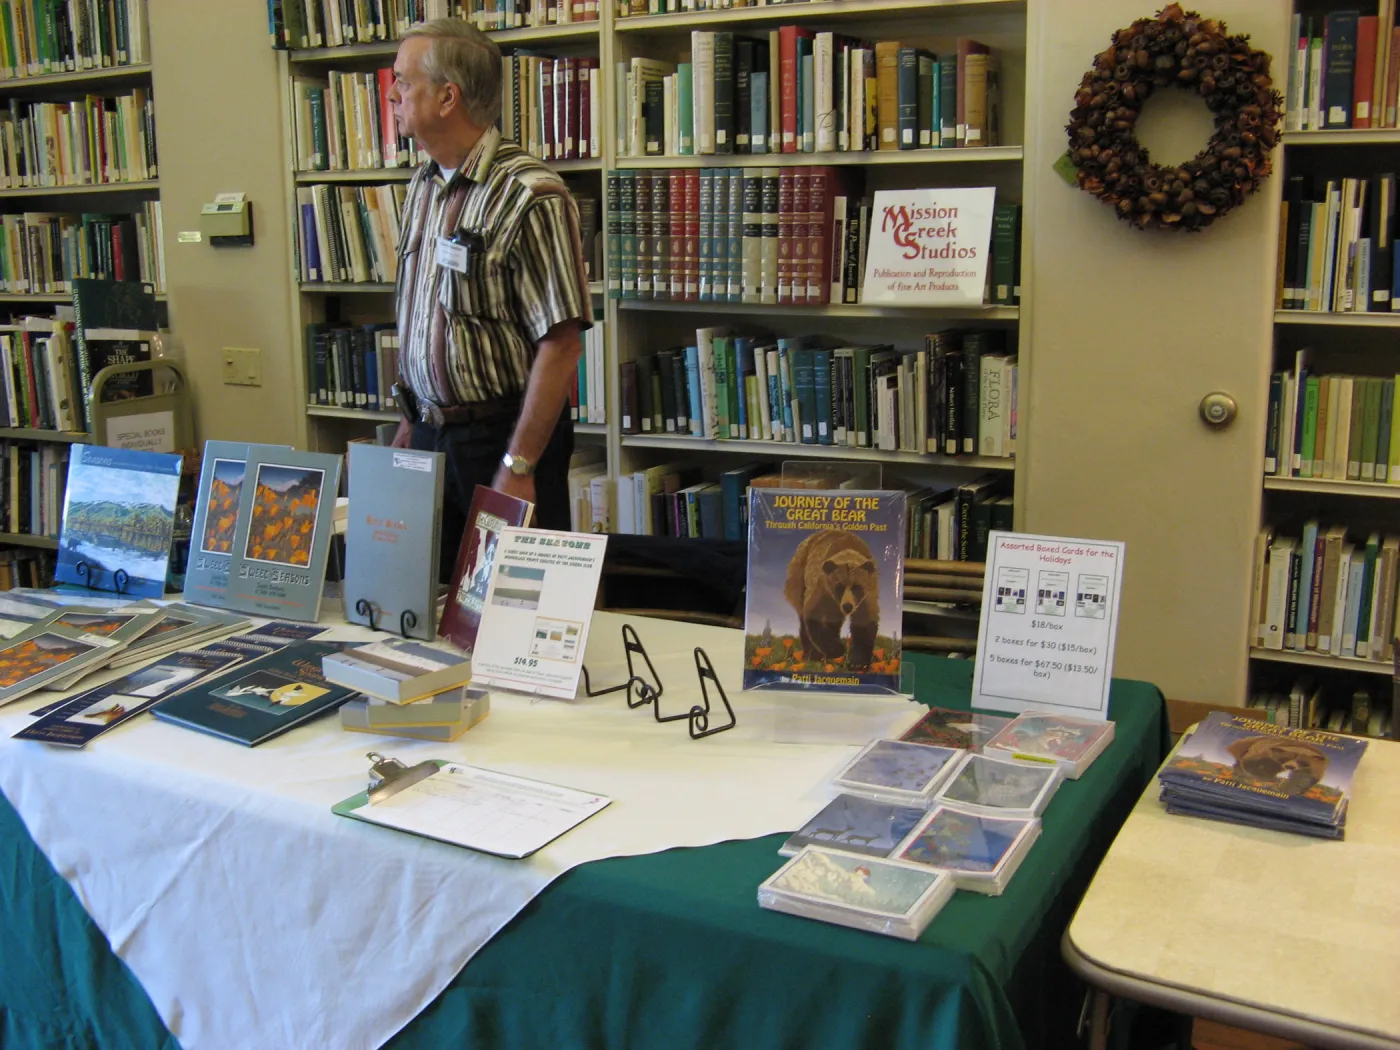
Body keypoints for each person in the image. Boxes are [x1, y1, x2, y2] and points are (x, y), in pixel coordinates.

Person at [387, 18, 591, 575]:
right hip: (429, 434)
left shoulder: (532, 194)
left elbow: (561, 344)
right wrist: (409, 418)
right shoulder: (422, 184)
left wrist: (519, 462)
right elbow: (423, 314)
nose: (392, 93)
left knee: (510, 614)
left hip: (499, 437)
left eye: (404, 81)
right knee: (431, 608)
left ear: (447, 96)